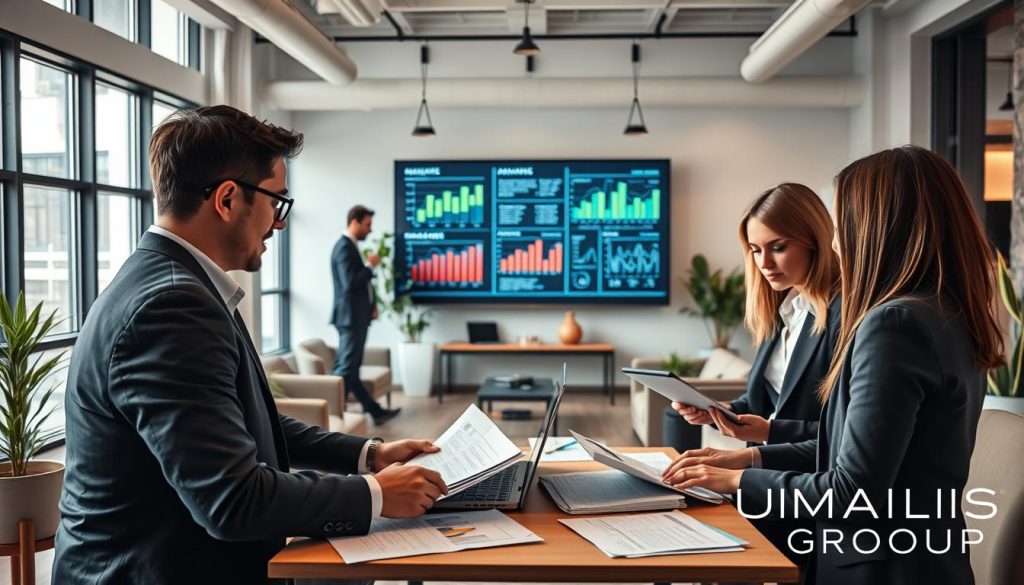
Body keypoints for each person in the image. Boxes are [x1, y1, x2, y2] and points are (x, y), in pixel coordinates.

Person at [54, 105, 448, 584]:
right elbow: (232, 501)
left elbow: (243, 416)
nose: (278, 223)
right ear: (226, 199)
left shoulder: (175, 284)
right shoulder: (173, 305)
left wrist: (367, 455)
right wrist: (376, 494)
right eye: (276, 202)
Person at [663, 145, 1003, 584]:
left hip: (877, 568)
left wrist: (732, 481)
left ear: (877, 231)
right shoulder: (941, 312)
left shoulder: (894, 324)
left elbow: (850, 491)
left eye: (841, 227)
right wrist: (748, 458)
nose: (836, 244)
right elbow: (852, 452)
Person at [673, 183, 840, 446]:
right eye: (756, 250)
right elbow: (763, 401)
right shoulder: (779, 311)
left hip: (805, 478)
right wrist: (721, 411)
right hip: (763, 468)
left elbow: (847, 433)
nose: (764, 264)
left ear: (815, 241)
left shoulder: (841, 315)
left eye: (778, 247)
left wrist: (770, 432)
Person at [330, 205, 401, 425]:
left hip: (357, 316)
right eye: (368, 225)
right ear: (355, 222)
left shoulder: (350, 247)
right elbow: (349, 283)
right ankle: (335, 415)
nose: (370, 231)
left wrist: (371, 303)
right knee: (345, 369)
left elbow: (356, 286)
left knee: (351, 370)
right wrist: (370, 266)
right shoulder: (343, 248)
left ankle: (374, 411)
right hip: (350, 318)